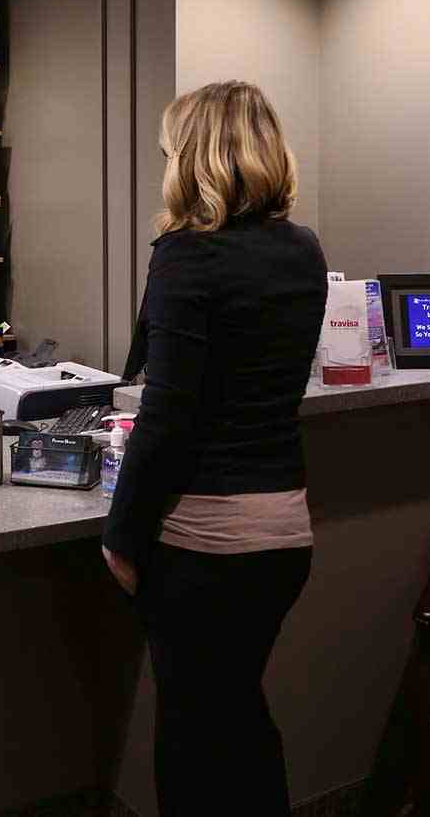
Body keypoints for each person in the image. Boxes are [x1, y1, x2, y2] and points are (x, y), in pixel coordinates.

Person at [103, 81, 327, 815]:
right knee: (240, 718)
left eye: (171, 149)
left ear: (194, 156)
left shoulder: (185, 257)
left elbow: (169, 415)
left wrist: (123, 537)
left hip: (205, 545)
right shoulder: (301, 250)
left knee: (193, 741)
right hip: (284, 532)